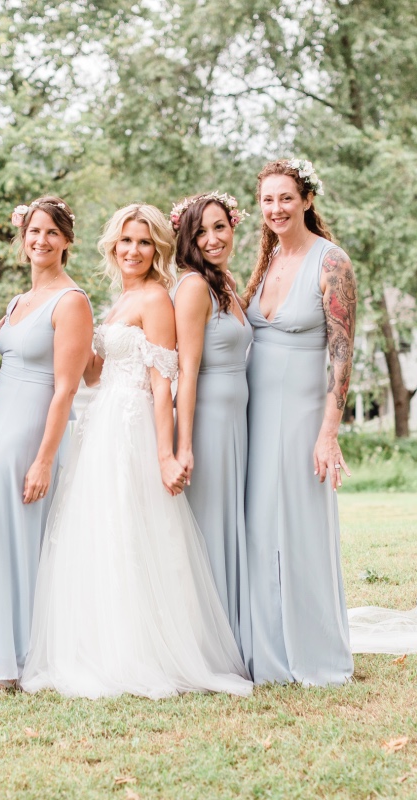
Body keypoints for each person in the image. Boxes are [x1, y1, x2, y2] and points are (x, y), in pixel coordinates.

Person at [21, 203, 252, 699]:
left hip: (133, 427)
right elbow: (93, 374)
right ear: (112, 247)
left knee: (132, 535)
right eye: (126, 241)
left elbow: (163, 380)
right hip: (101, 421)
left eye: (144, 242)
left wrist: (168, 454)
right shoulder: (117, 301)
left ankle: (139, 655)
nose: (133, 250)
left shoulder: (156, 299)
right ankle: (101, 647)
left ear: (158, 250)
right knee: (100, 535)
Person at [0, 197, 93, 692]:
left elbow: (66, 388)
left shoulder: (71, 302)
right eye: (34, 231)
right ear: (22, 237)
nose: (41, 241)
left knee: (14, 542)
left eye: (52, 233)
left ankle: (15, 665)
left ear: (67, 241)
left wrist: (44, 460)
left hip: (31, 434)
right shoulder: (16, 303)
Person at [241, 159, 357, 686]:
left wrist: (328, 431)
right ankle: (265, 645)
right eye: (267, 200)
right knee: (259, 526)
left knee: (300, 527)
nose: (276, 209)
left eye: (286, 198)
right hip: (253, 411)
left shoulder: (330, 262)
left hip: (302, 413)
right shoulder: (264, 262)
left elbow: (342, 352)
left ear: (307, 200)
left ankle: (313, 648)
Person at [168, 191, 253, 651]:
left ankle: (232, 628)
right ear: (187, 237)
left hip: (234, 420)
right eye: (201, 230)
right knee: (209, 525)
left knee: (227, 520)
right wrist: (185, 446)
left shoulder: (223, 283)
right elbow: (186, 368)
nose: (213, 237)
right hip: (209, 422)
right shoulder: (194, 287)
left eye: (220, 227)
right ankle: (206, 642)